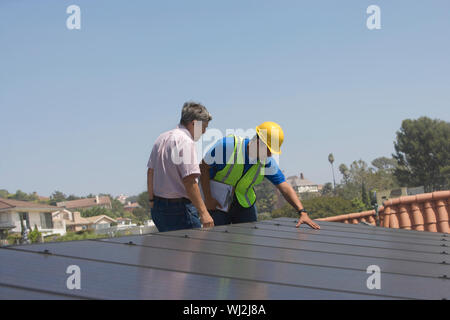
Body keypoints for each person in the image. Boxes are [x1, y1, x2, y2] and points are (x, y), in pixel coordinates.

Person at [200, 121, 320, 229]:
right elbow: (203, 167)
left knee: (246, 245)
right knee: (217, 241)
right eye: (269, 150)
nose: (270, 155)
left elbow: (284, 186)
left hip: (244, 204)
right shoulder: (228, 147)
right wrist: (208, 198)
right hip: (217, 203)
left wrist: (302, 212)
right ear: (258, 142)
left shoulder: (266, 162)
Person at [147, 102, 214, 232]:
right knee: (194, 251)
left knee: (171, 251)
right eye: (204, 127)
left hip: (159, 208)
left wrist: (152, 201)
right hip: (180, 210)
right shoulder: (186, 142)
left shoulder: (161, 138)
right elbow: (190, 181)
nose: (205, 132)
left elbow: (150, 172)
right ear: (194, 123)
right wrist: (204, 213)